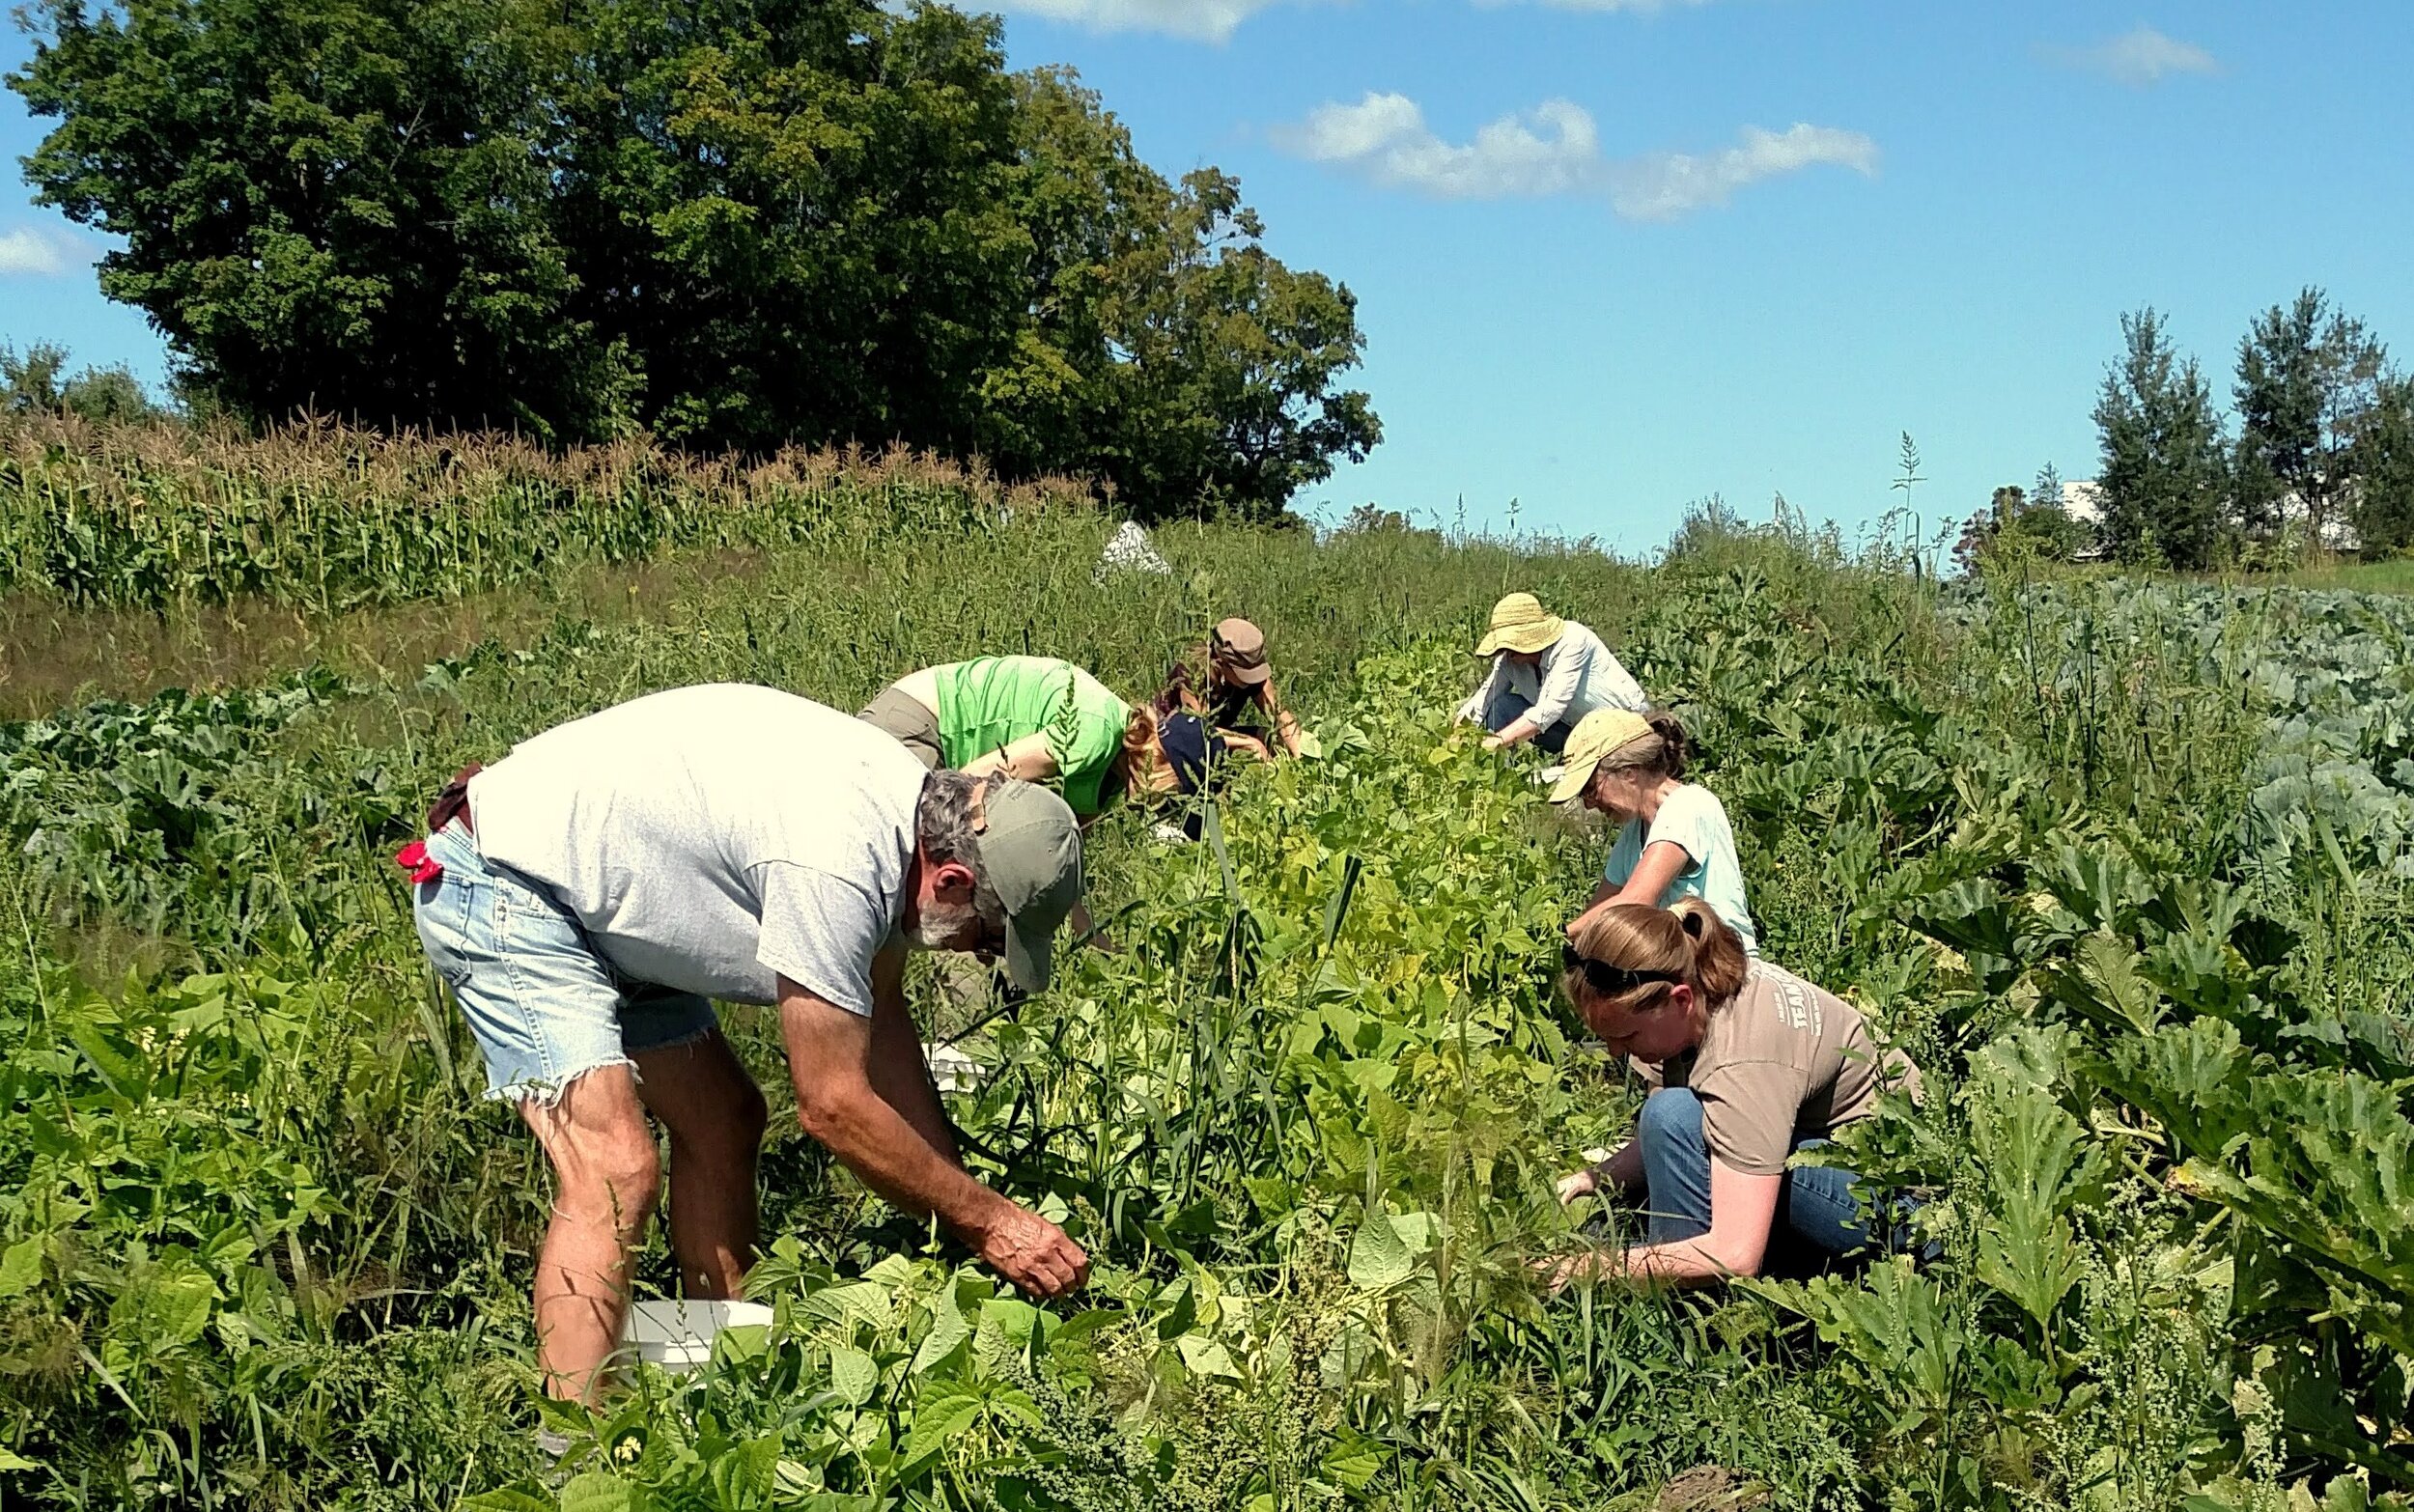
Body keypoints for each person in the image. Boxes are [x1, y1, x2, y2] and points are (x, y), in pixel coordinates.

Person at [399, 684, 1091, 1402]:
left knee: (726, 1121)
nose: (979, 958)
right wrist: (992, 1224)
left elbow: (882, 1024)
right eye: (986, 936)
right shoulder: (838, 862)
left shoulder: (906, 822)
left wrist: (963, 1211)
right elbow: (833, 1106)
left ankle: (723, 1379)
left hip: (608, 901)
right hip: (507, 879)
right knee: (616, 1172)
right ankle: (571, 1457)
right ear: (950, 878)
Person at [1549, 902, 1922, 1288]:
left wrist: (1592, 1267)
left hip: (1904, 1213)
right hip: (1843, 1160)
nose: (1614, 1052)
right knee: (1671, 1116)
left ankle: (1693, 1315)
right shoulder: (1706, 980)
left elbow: (1737, 1253)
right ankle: (1680, 1271)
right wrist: (1592, 1179)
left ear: (1679, 1000)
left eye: (1626, 1037)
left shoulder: (1743, 1061)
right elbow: (1669, 1136)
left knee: (1672, 1115)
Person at [859, 655, 1169, 817]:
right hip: (922, 721)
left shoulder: (1112, 779)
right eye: (1176, 796)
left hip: (942, 744)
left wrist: (1098, 940)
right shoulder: (1094, 735)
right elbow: (969, 783)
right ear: (1162, 760)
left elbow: (1062, 874)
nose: (1167, 810)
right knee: (910, 855)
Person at [1552, 709, 1756, 954]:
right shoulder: (1633, 834)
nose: (1589, 804)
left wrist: (1558, 935)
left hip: (1721, 968)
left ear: (1629, 772)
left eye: (1591, 788)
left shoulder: (1688, 805)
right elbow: (1602, 906)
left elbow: (1636, 900)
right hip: (1681, 968)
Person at [1453, 593, 1645, 754]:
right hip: (1569, 731)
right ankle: (1497, 777)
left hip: (1622, 732)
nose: (1507, 653)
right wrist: (1458, 734)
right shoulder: (1508, 661)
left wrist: (1497, 741)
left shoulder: (1573, 640)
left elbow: (1549, 709)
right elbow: (1483, 700)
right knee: (1502, 706)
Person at [1160, 617, 1305, 760]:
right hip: (1175, 742)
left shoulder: (1256, 678)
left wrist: (1302, 758)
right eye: (1244, 673)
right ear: (1220, 662)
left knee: (1271, 738)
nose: (1251, 680)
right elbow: (1199, 732)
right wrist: (1250, 743)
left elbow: (1283, 719)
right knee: (1254, 748)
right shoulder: (1193, 673)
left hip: (1220, 736)